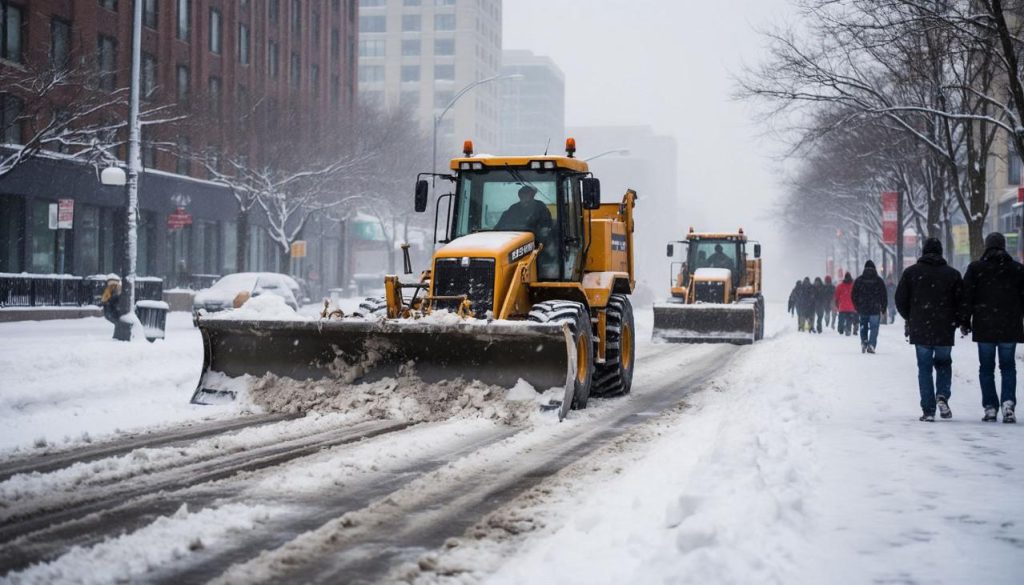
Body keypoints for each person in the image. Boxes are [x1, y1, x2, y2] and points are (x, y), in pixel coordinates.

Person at [895, 238, 964, 422]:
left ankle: (928, 410)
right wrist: (956, 320)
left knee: (924, 368)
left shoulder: (911, 273)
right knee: (944, 363)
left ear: (923, 252)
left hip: (921, 327)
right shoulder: (953, 274)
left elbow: (900, 299)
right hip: (944, 328)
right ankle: (942, 395)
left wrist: (911, 317)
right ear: (941, 252)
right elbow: (961, 301)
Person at [961, 232, 1023, 423]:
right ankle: (1008, 404)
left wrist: (965, 321)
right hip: (1010, 326)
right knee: (1008, 367)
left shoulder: (976, 268)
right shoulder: (1017, 269)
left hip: (984, 325)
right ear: (1004, 246)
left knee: (986, 368)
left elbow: (966, 297)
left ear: (986, 246)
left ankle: (990, 407)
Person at [852, 260, 888, 353]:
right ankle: (871, 344)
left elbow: (854, 294)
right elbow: (883, 295)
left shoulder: (859, 280)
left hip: (863, 308)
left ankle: (864, 342)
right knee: (874, 328)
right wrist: (883, 307)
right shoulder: (879, 281)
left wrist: (856, 305)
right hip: (875, 308)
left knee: (863, 326)